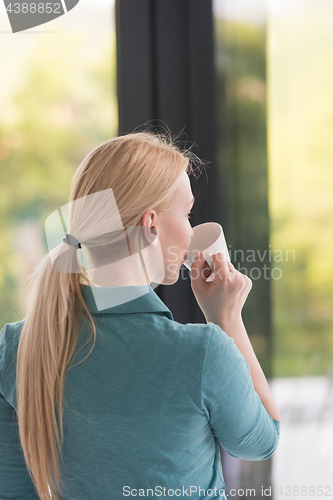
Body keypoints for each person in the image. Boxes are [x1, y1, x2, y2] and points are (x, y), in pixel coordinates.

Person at [0, 132, 280, 500]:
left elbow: (14, 490)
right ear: (151, 224)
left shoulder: (17, 347)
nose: (191, 229)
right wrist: (226, 318)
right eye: (188, 213)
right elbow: (261, 442)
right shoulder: (202, 352)